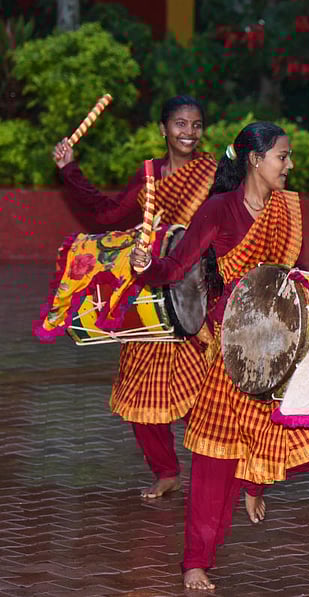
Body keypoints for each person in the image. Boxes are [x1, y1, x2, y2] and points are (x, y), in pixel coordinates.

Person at [130, 122, 309, 590]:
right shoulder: (218, 210)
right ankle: (195, 561)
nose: (289, 165)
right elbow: (175, 266)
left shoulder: (287, 209)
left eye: (288, 157)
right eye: (282, 157)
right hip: (229, 351)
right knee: (211, 460)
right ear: (255, 160)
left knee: (303, 440)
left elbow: (291, 279)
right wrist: (147, 268)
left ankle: (254, 481)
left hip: (275, 350)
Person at [50, 95, 216, 499]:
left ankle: (225, 466)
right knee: (141, 393)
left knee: (210, 386)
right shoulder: (149, 175)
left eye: (195, 125)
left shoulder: (213, 172)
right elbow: (107, 214)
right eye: (180, 124)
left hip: (199, 287)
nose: (188, 133)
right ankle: (165, 471)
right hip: (150, 289)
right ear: (163, 129)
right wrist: (69, 169)